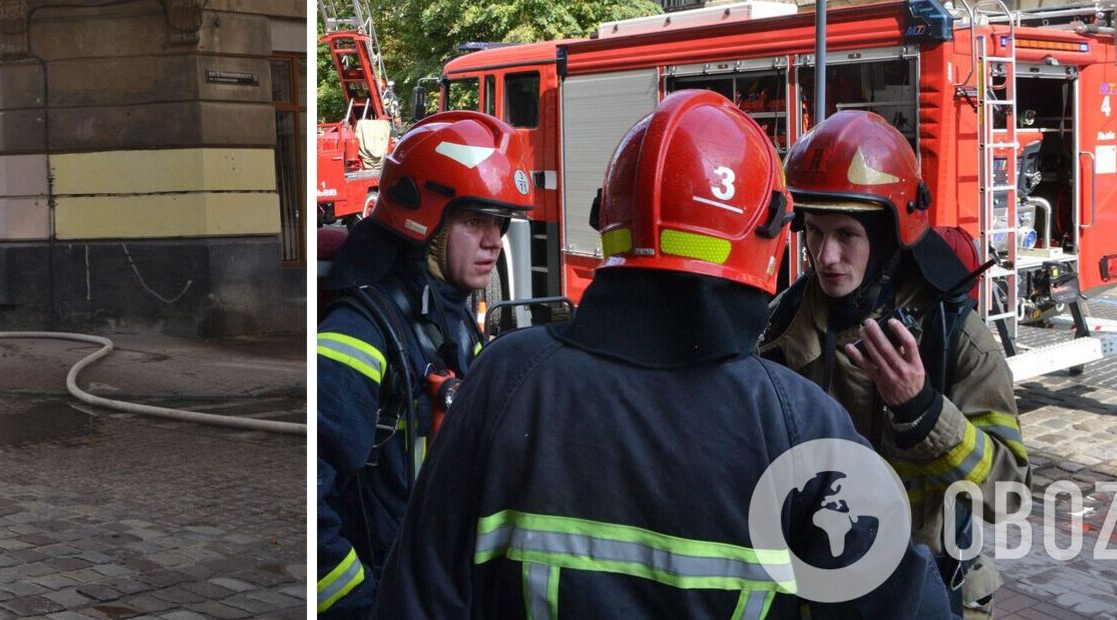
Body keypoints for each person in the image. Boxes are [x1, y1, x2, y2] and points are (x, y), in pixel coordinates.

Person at [372, 91, 951, 618]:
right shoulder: (799, 424)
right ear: (766, 237)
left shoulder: (506, 382)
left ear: (609, 224)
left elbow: (416, 600)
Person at [760, 111, 1029, 619]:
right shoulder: (781, 326)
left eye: (847, 234)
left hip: (920, 596)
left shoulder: (955, 337)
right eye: (814, 232)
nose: (826, 255)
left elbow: (1009, 494)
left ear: (887, 239)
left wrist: (925, 414)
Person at [316, 111, 534, 618]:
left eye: (499, 224)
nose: (493, 242)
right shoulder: (360, 336)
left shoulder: (453, 321)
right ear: (424, 220)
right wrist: (358, 604)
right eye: (474, 221)